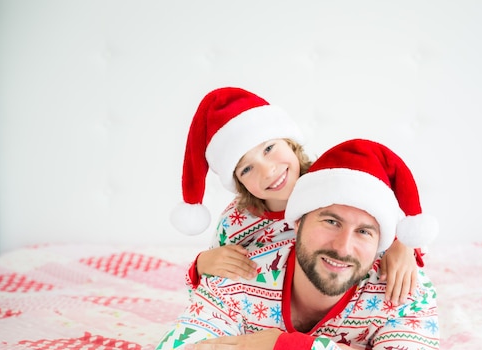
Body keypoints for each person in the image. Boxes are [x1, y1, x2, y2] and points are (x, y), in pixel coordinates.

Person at [146, 138, 440, 350]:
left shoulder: (403, 291)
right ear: (296, 222)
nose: (342, 247)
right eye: (331, 222)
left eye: (364, 231)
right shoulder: (234, 276)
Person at [170, 86, 423, 304]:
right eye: (247, 168)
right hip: (272, 316)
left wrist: (403, 245)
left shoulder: (334, 183)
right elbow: (210, 291)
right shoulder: (236, 223)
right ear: (239, 182)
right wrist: (202, 265)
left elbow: (378, 218)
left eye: (269, 148)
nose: (268, 170)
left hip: (346, 302)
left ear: (290, 142)